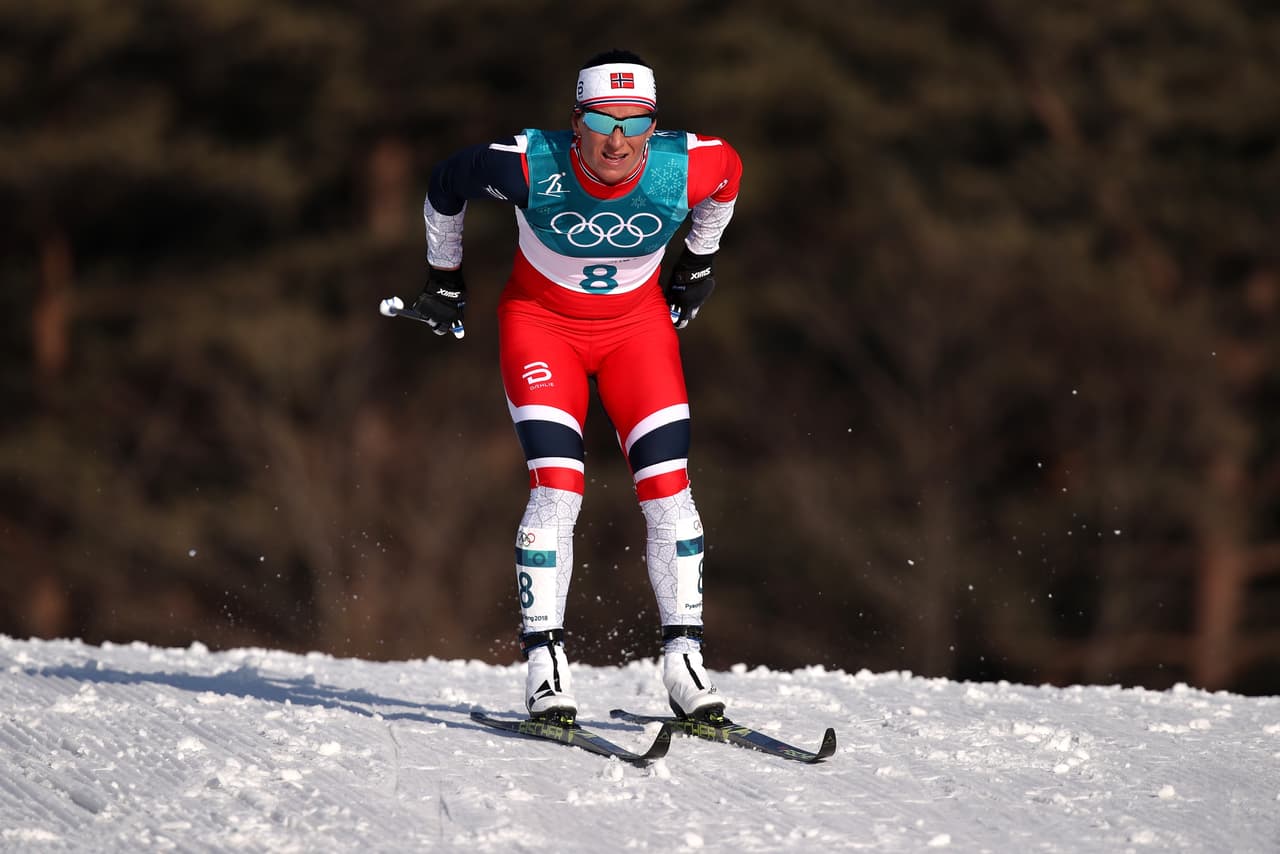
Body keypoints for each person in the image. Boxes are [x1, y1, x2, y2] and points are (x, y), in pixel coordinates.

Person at [414, 49, 742, 724]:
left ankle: (684, 665)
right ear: (576, 122)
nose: (617, 139)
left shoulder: (691, 163)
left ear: (654, 126)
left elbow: (730, 180)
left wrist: (699, 262)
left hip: (637, 332)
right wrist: (443, 278)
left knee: (669, 488)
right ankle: (545, 670)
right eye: (600, 119)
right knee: (557, 487)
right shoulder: (529, 163)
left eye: (634, 121)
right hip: (543, 330)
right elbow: (446, 182)